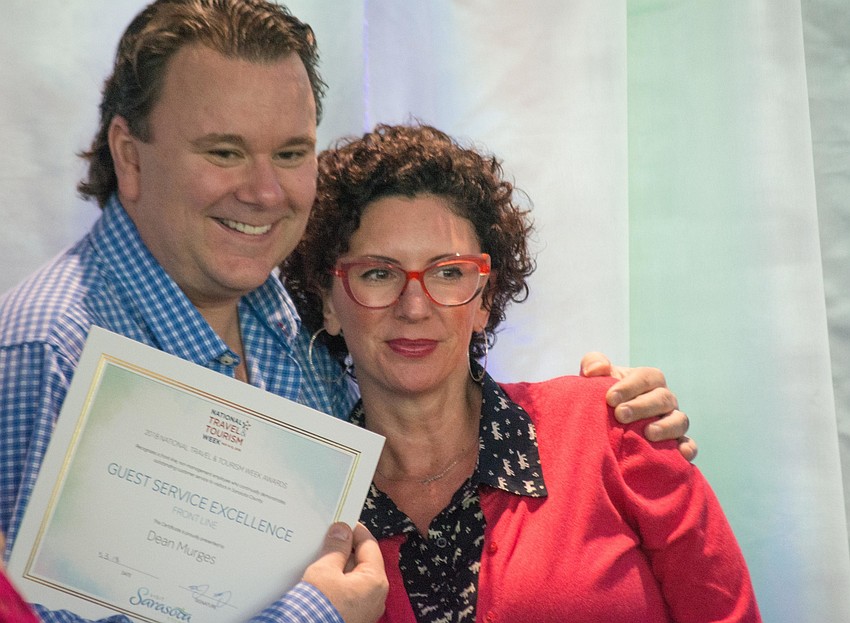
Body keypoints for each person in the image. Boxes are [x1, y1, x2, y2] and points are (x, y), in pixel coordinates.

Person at [0, 1, 690, 621]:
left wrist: (617, 425)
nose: (265, 191)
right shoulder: (50, 347)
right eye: (224, 151)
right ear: (129, 154)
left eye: (292, 152)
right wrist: (315, 615)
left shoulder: (283, 314)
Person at [281, 123, 762, 622]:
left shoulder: (612, 428)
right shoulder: (310, 515)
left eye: (449, 272)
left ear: (486, 298)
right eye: (378, 274)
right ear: (328, 301)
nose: (415, 306)